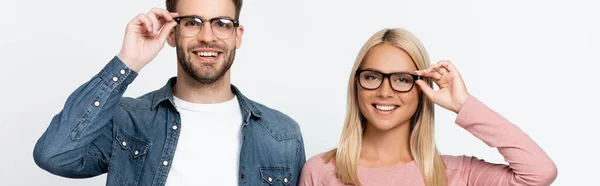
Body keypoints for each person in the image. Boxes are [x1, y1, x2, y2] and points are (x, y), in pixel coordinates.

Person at [32, 0, 305, 185]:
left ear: (238, 35)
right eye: (193, 22)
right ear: (172, 34)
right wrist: (128, 62)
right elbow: (54, 154)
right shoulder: (128, 121)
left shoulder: (281, 135)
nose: (208, 37)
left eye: (221, 23)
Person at [299, 28, 557, 186]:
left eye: (402, 79)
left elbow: (539, 174)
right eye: (372, 77)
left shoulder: (457, 174)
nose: (385, 91)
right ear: (356, 85)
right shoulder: (320, 172)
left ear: (422, 89)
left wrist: (463, 105)